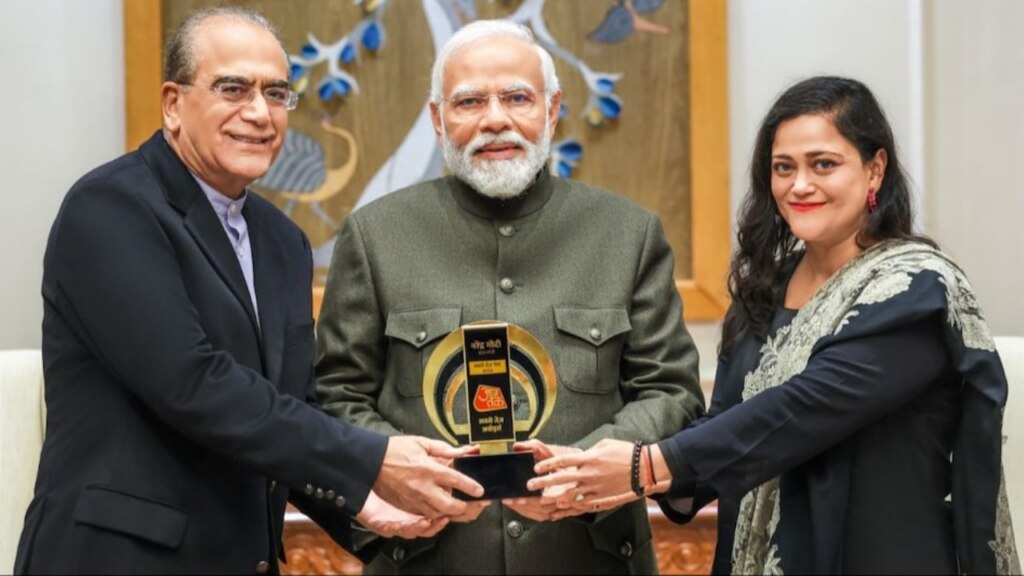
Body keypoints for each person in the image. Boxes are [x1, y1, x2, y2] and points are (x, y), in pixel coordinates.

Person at [14, 7, 486, 574]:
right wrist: (373, 459)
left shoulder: (282, 240)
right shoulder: (111, 208)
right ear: (172, 103)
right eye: (233, 89)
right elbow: (195, 383)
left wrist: (366, 509)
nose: (260, 113)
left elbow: (291, 404)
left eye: (276, 93)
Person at [529, 76, 1021, 574]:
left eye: (823, 164)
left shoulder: (915, 290)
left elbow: (799, 411)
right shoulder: (765, 290)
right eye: (783, 167)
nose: (799, 185)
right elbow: (725, 425)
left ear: (875, 170)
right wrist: (580, 479)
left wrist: (646, 466)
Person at [314, 19, 704, 575]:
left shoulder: (628, 233)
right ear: (437, 119)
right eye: (469, 101)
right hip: (429, 561)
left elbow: (672, 391)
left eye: (517, 98)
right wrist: (398, 464)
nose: (495, 119)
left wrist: (585, 470)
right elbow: (335, 394)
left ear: (552, 110)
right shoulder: (375, 236)